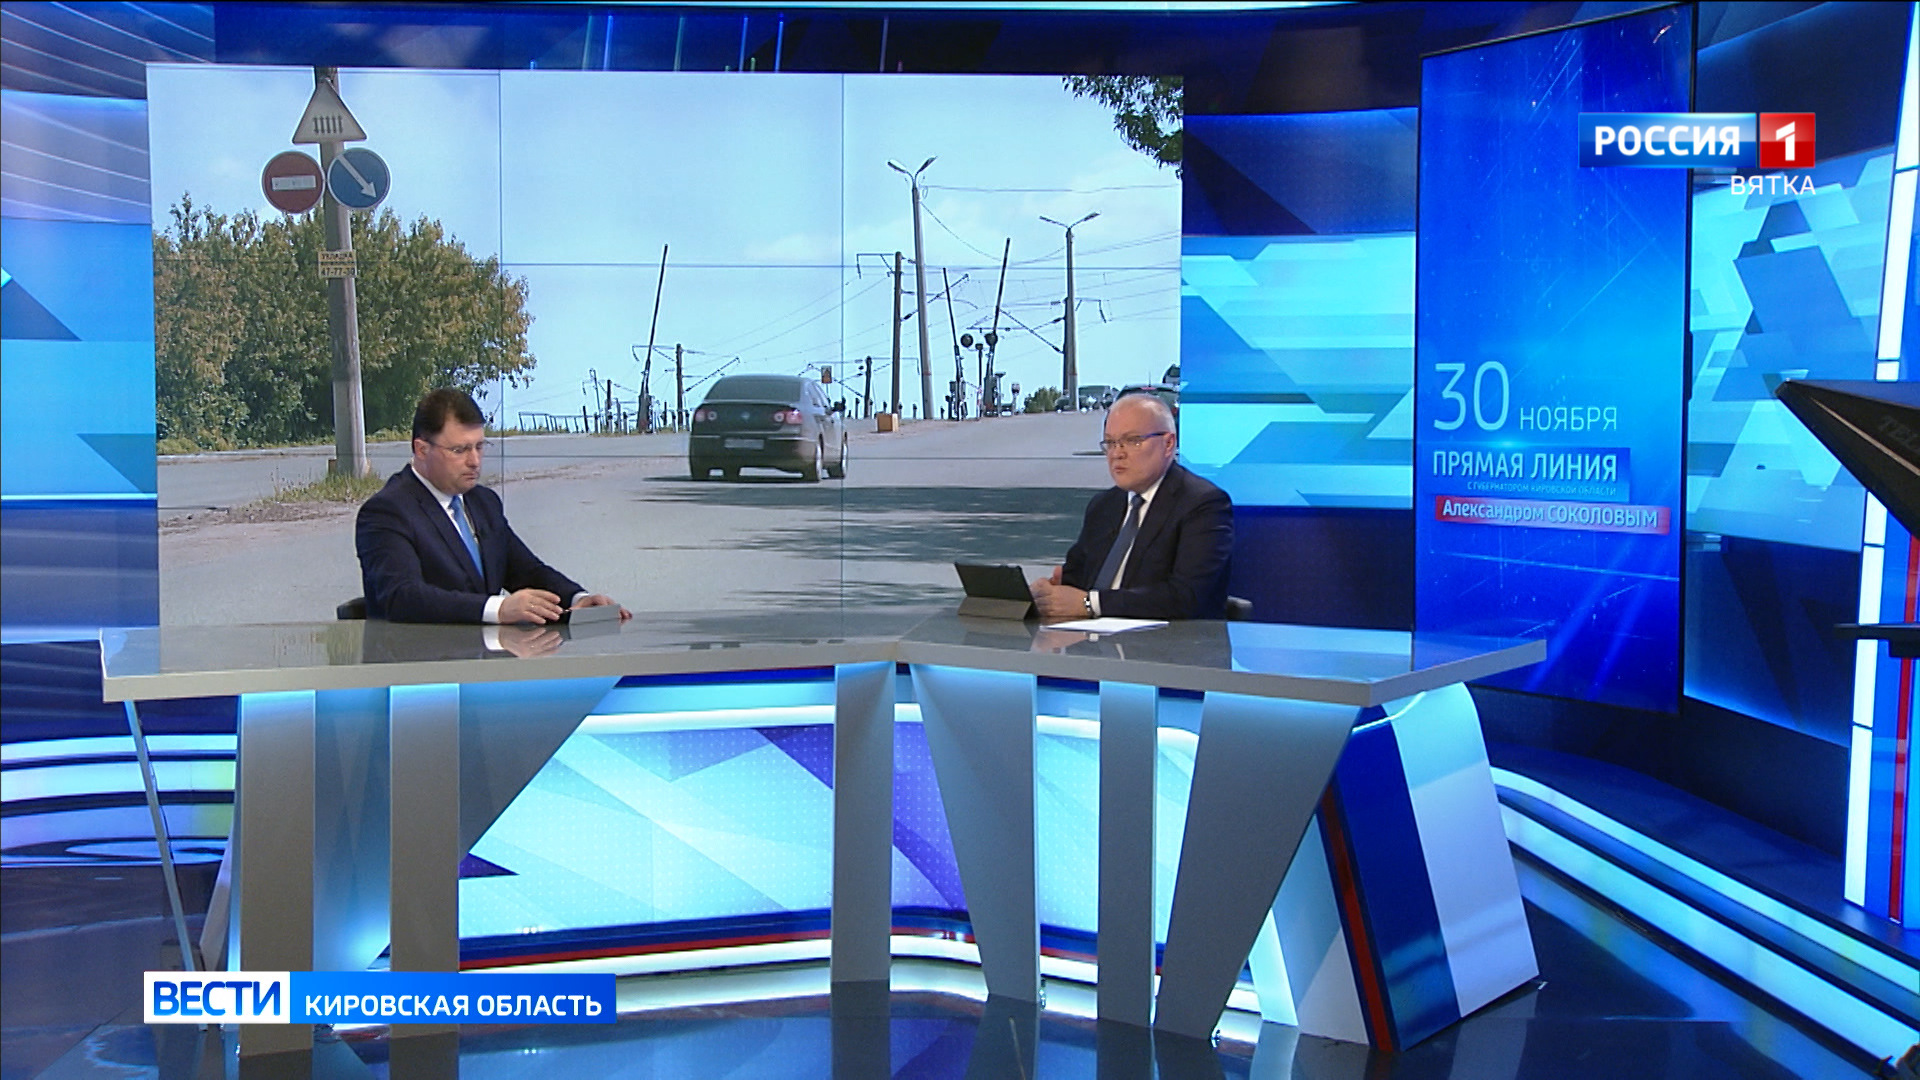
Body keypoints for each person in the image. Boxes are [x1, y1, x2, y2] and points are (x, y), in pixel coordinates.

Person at [356, 389, 630, 625]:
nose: (474, 461)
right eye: (460, 450)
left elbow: (524, 570)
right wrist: (498, 609)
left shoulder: (483, 502)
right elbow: (402, 597)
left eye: (479, 446)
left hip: (484, 658)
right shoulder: (387, 512)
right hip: (420, 662)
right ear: (422, 449)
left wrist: (576, 598)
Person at [1030, 393, 1232, 620]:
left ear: (1168, 444)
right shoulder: (1103, 506)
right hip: (1090, 636)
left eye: (1132, 441)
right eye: (1110, 443)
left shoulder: (1203, 504)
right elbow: (1075, 579)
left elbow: (1185, 597)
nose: (1117, 453)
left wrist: (1091, 604)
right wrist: (1050, 592)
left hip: (1165, 639)